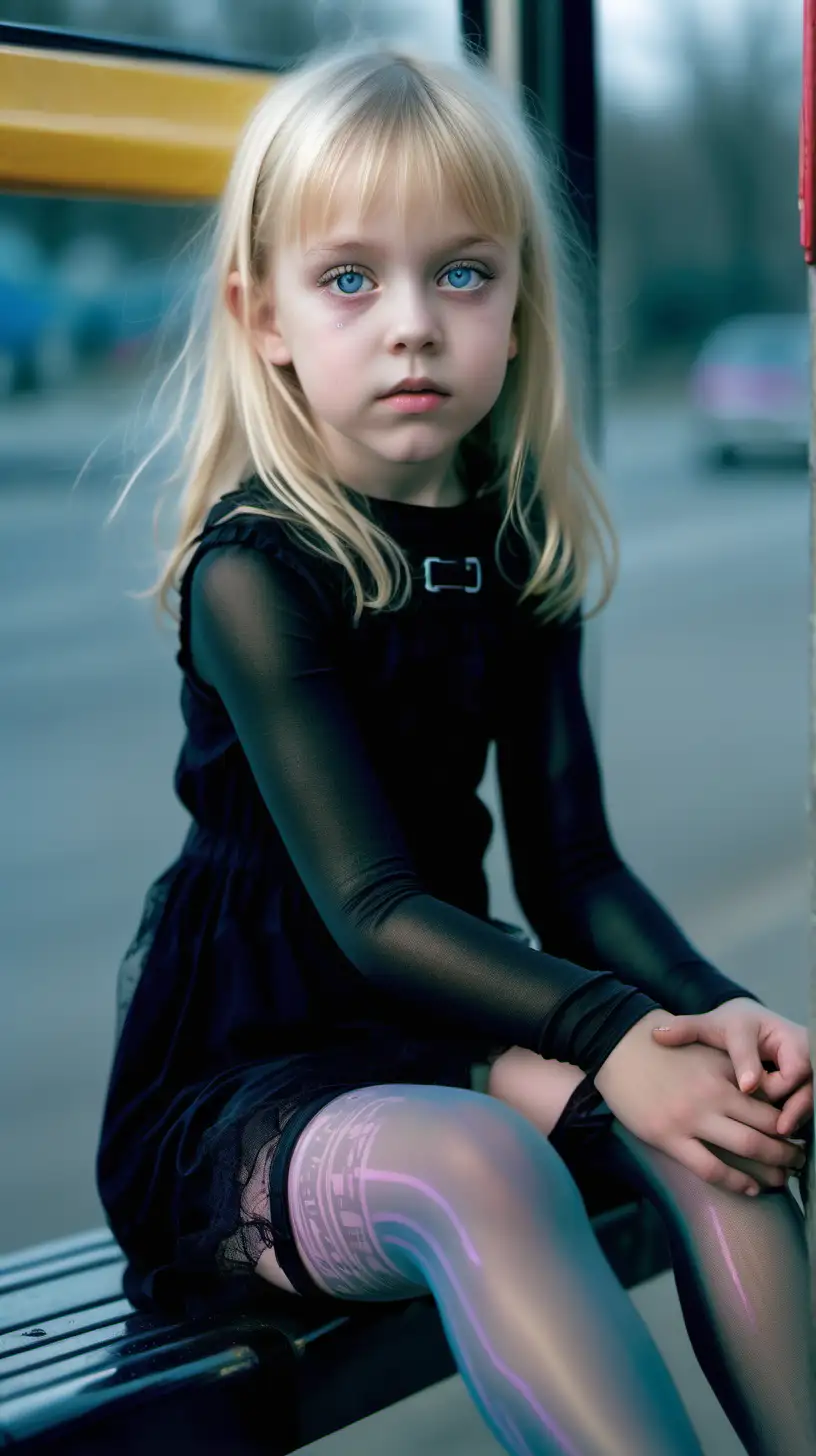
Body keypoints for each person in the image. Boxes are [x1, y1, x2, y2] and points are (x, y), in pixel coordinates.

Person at [96, 42, 815, 1456]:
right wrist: (613, 1038)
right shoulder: (257, 571)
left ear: (519, 305)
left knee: (719, 1128)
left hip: (439, 1033)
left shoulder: (516, 542)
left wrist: (716, 1014)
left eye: (463, 274)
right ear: (265, 318)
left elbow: (576, 867)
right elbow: (372, 913)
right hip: (246, 1091)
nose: (413, 325)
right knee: (485, 1164)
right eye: (351, 279)